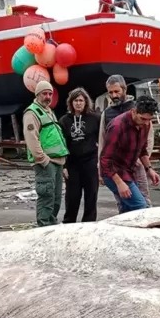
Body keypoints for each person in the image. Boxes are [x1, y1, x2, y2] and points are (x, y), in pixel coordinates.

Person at [98, 74, 153, 210]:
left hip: (136, 163)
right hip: (116, 167)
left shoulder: (141, 111)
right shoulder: (110, 116)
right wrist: (100, 168)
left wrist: (148, 166)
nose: (114, 95)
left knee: (143, 199)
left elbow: (146, 141)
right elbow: (103, 141)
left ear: (125, 90)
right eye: (111, 92)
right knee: (129, 203)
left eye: (117, 91)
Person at [22, 80, 69, 227]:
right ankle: (44, 225)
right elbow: (31, 137)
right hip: (46, 162)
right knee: (46, 196)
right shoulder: (32, 112)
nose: (48, 97)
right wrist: (42, 159)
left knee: (55, 198)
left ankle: (51, 223)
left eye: (50, 93)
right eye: (44, 94)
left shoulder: (49, 112)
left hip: (57, 162)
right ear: (37, 95)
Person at [58, 87, 101, 223]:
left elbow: (102, 140)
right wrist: (63, 166)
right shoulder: (65, 120)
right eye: (76, 100)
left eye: (81, 100)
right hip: (72, 163)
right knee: (72, 196)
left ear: (86, 102)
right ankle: (69, 222)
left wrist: (101, 162)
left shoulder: (95, 118)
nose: (78, 103)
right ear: (71, 103)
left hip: (90, 161)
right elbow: (61, 144)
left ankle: (89, 223)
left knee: (91, 194)